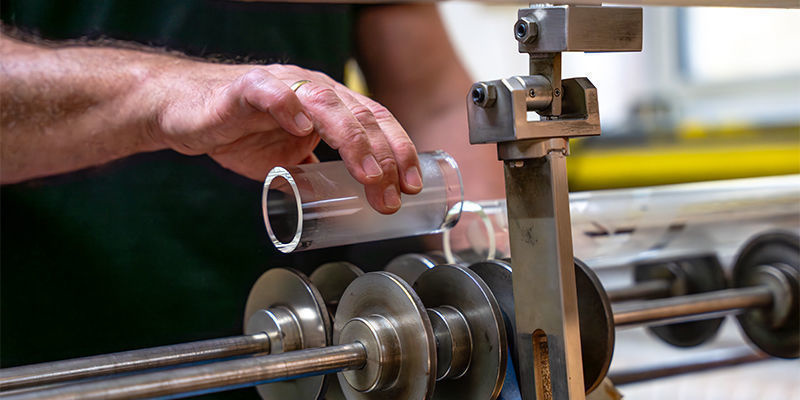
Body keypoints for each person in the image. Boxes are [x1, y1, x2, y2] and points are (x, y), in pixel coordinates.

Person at [0, 3, 503, 394]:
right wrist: (155, 92)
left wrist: (499, 269)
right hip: (55, 351)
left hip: (329, 349)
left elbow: (432, 99)